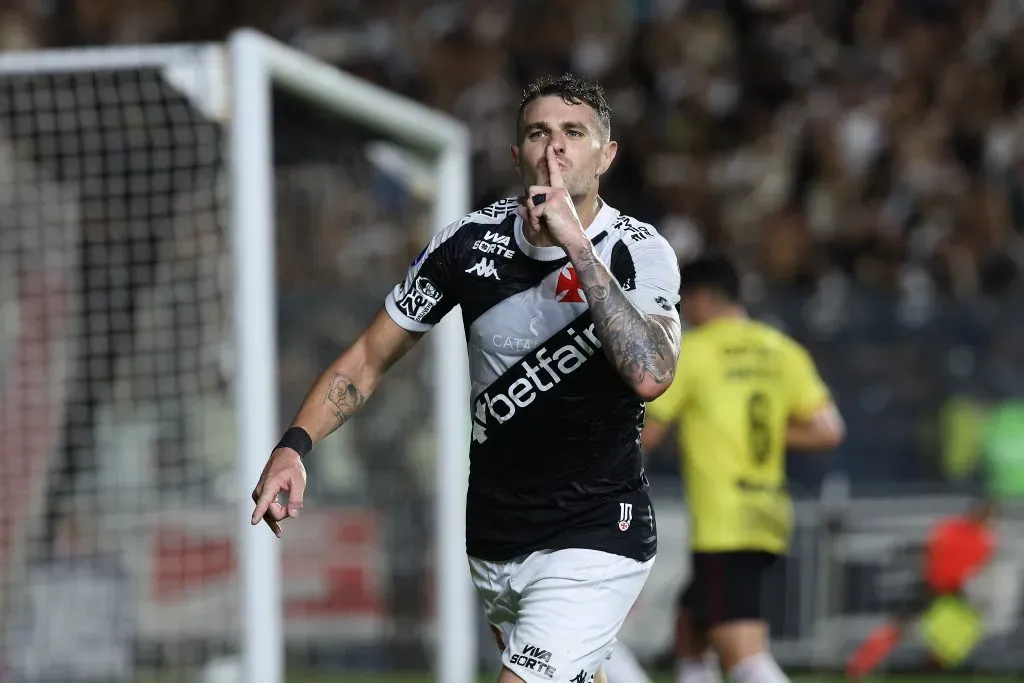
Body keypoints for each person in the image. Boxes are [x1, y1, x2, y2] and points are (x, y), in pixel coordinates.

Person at [250, 73, 683, 683]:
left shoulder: (638, 250)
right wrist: (295, 445)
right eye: (538, 133)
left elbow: (651, 375)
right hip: (497, 535)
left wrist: (577, 248)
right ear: (517, 154)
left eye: (573, 133)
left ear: (605, 155)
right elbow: (369, 357)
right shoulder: (466, 244)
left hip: (596, 532)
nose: (553, 148)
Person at [633, 254, 844, 683]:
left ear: (703, 300)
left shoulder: (697, 350)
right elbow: (828, 431)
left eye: (682, 302)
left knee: (742, 651)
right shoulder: (782, 350)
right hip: (767, 512)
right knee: (691, 626)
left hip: (723, 517)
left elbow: (648, 433)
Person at [845, 498, 997, 679]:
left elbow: (939, 556)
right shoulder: (968, 535)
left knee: (958, 628)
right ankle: (860, 666)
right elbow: (952, 561)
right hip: (938, 587)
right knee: (900, 628)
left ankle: (931, 664)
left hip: (945, 588)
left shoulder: (958, 531)